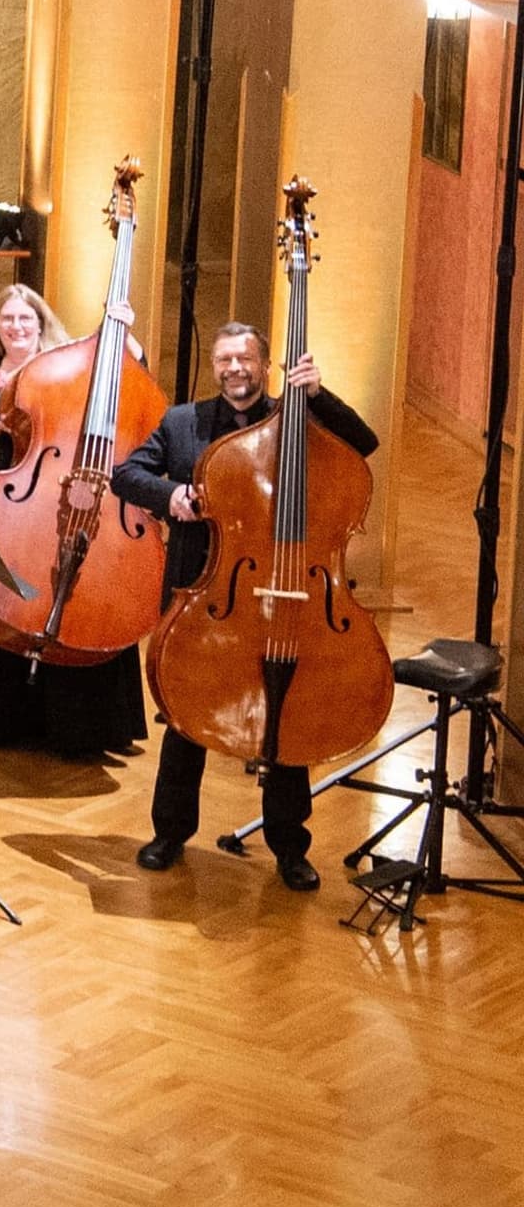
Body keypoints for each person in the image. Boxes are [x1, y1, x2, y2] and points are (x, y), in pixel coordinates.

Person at [116, 324, 378, 892]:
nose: (234, 368)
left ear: (264, 364)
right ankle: (169, 833)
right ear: (215, 365)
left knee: (290, 720)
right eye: (224, 359)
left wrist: (318, 395)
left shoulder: (300, 419)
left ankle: (290, 847)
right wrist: (173, 496)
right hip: (209, 596)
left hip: (294, 598)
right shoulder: (183, 422)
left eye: (245, 358)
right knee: (187, 713)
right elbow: (126, 475)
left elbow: (365, 443)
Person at [0, 284, 147, 757]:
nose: (16, 327)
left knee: (80, 594)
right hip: (11, 504)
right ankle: (4, 718)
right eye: (7, 320)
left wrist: (127, 338)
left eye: (25, 319)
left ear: (42, 323)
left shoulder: (65, 367)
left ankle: (79, 724)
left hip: (65, 498)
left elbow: (119, 382)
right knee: (6, 597)